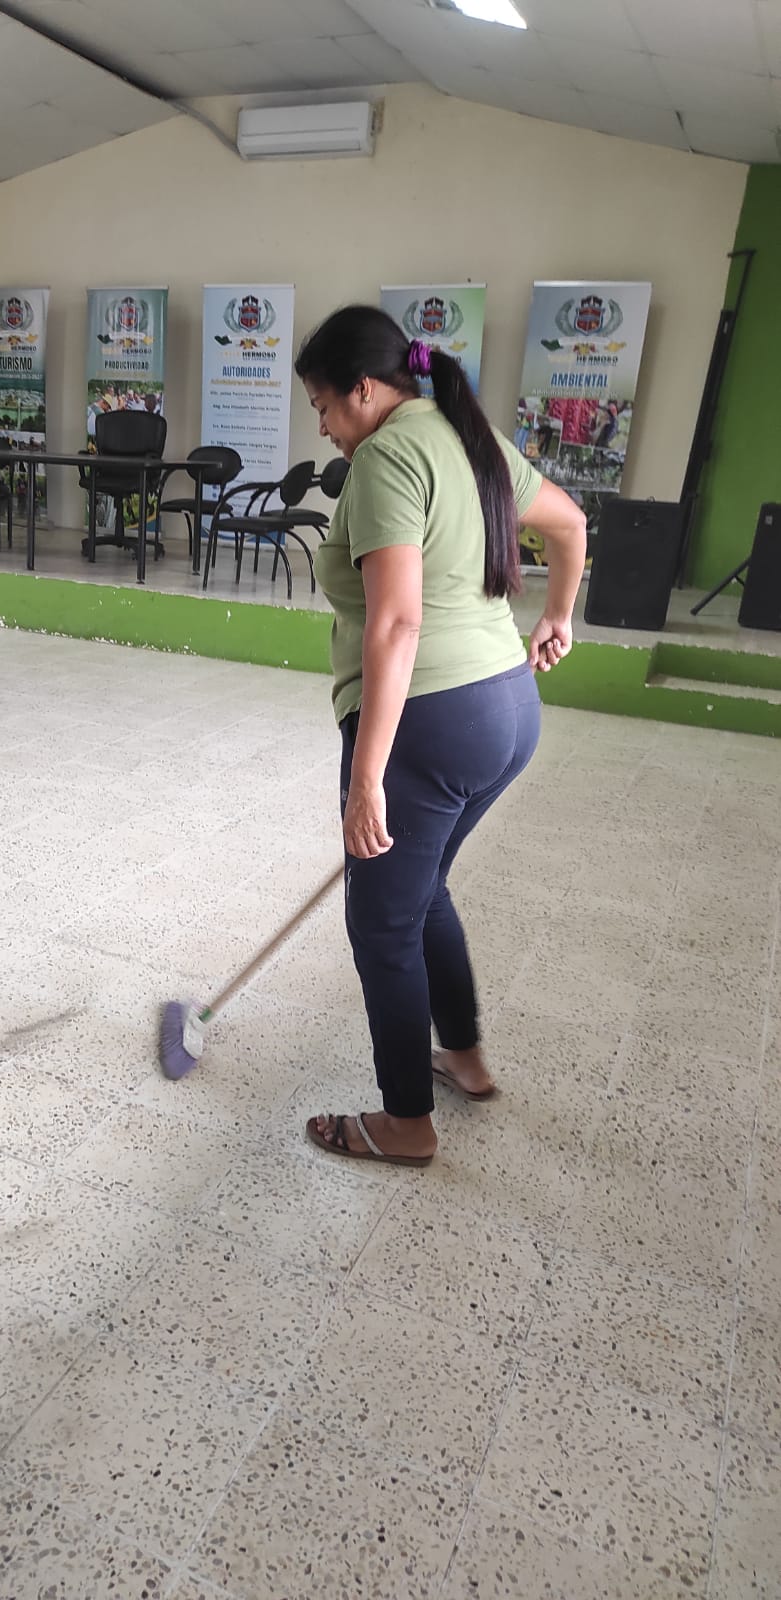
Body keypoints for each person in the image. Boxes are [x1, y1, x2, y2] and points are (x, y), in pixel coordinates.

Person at [294, 305, 586, 1166]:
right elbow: (570, 523)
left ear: (362, 389)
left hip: (429, 724)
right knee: (421, 895)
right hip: (507, 710)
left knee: (381, 926)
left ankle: (405, 1124)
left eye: (321, 405)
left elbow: (395, 625)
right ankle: (462, 1058)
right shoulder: (468, 434)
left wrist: (365, 782)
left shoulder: (386, 457)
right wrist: (557, 617)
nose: (321, 426)